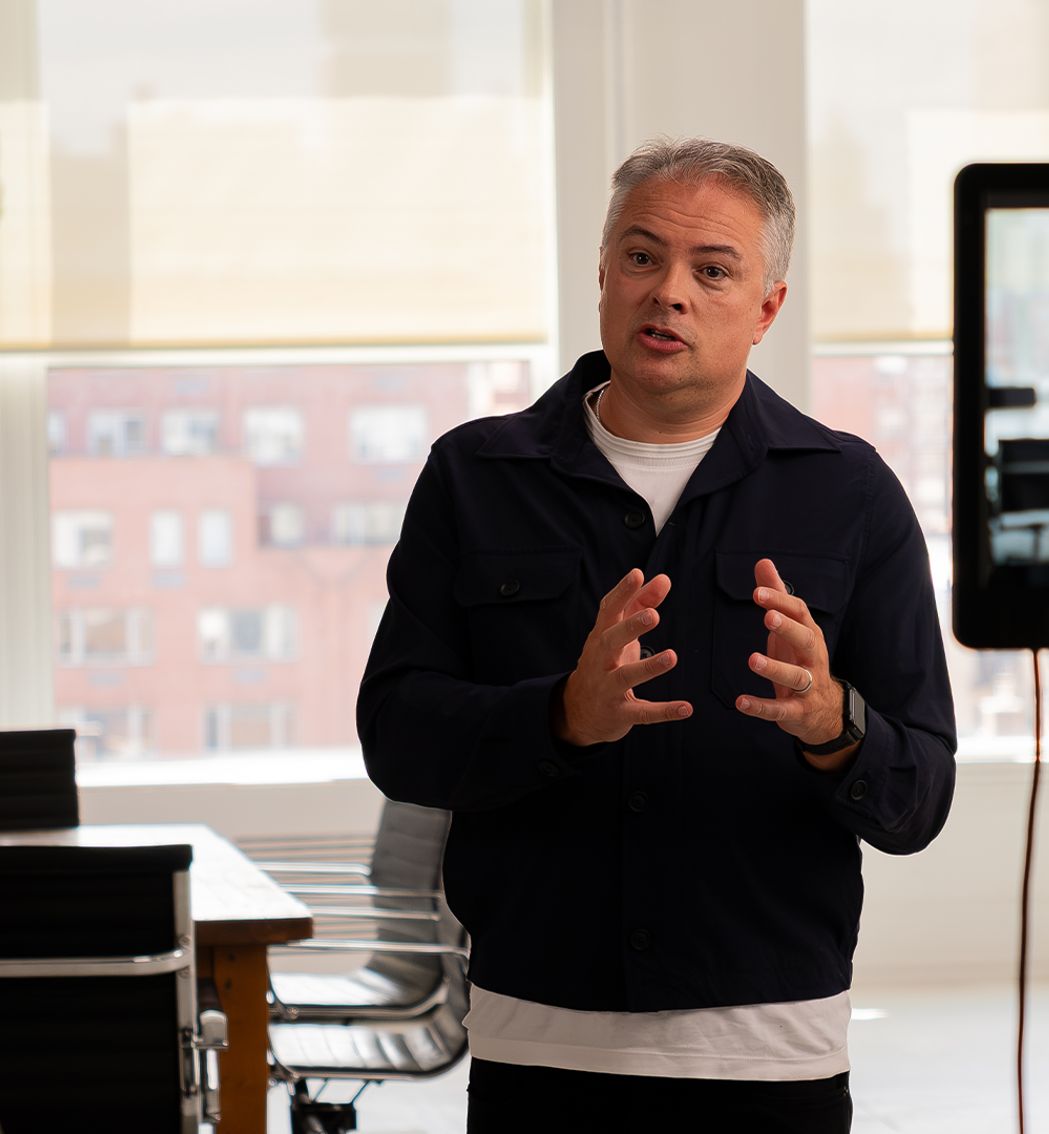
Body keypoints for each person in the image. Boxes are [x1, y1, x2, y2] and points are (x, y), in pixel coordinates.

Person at [357, 137, 957, 1133]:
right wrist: (560, 717)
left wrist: (833, 724)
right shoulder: (475, 477)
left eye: (711, 269)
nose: (668, 292)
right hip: (535, 1039)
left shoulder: (849, 494)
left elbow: (919, 796)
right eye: (641, 257)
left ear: (766, 307)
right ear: (602, 274)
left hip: (771, 1056)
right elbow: (398, 735)